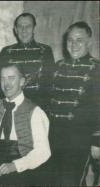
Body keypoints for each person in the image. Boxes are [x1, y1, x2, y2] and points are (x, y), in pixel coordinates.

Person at [0, 62, 51, 186]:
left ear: (22, 81)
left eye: (11, 78)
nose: (6, 84)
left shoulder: (35, 112)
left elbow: (43, 151)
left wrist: (15, 165)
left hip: (22, 165)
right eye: (3, 79)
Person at [49, 21, 100, 186]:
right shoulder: (58, 67)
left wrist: (97, 142)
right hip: (53, 137)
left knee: (70, 182)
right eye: (70, 40)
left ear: (89, 42)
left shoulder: (97, 69)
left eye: (79, 40)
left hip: (79, 140)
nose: (74, 44)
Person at [0, 13, 55, 111]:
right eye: (20, 26)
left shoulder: (46, 51)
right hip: (11, 107)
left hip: (38, 107)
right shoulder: (6, 51)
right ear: (15, 29)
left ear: (34, 28)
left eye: (28, 26)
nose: (24, 30)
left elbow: (50, 84)